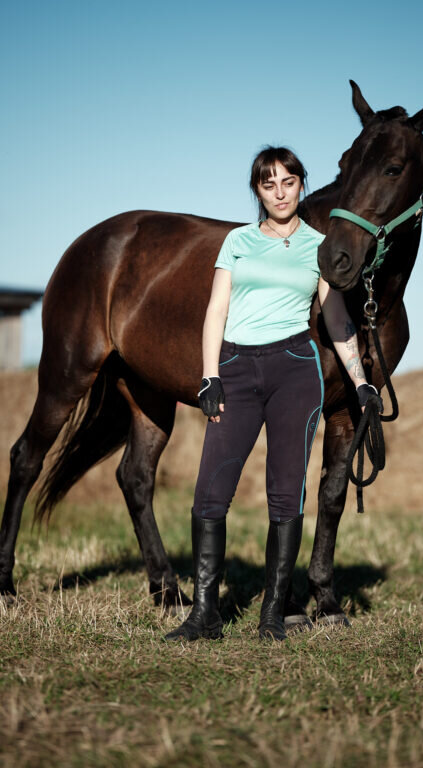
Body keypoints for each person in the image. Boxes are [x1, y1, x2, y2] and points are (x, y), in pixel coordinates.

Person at [164, 146, 381, 643]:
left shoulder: (319, 247)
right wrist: (209, 375)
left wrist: (361, 379)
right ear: (257, 190)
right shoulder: (236, 242)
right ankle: (205, 615)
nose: (279, 192)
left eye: (288, 182)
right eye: (269, 183)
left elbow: (337, 319)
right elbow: (215, 312)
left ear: (302, 185)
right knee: (210, 493)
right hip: (237, 369)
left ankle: (271, 615)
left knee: (286, 495)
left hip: (295, 371)